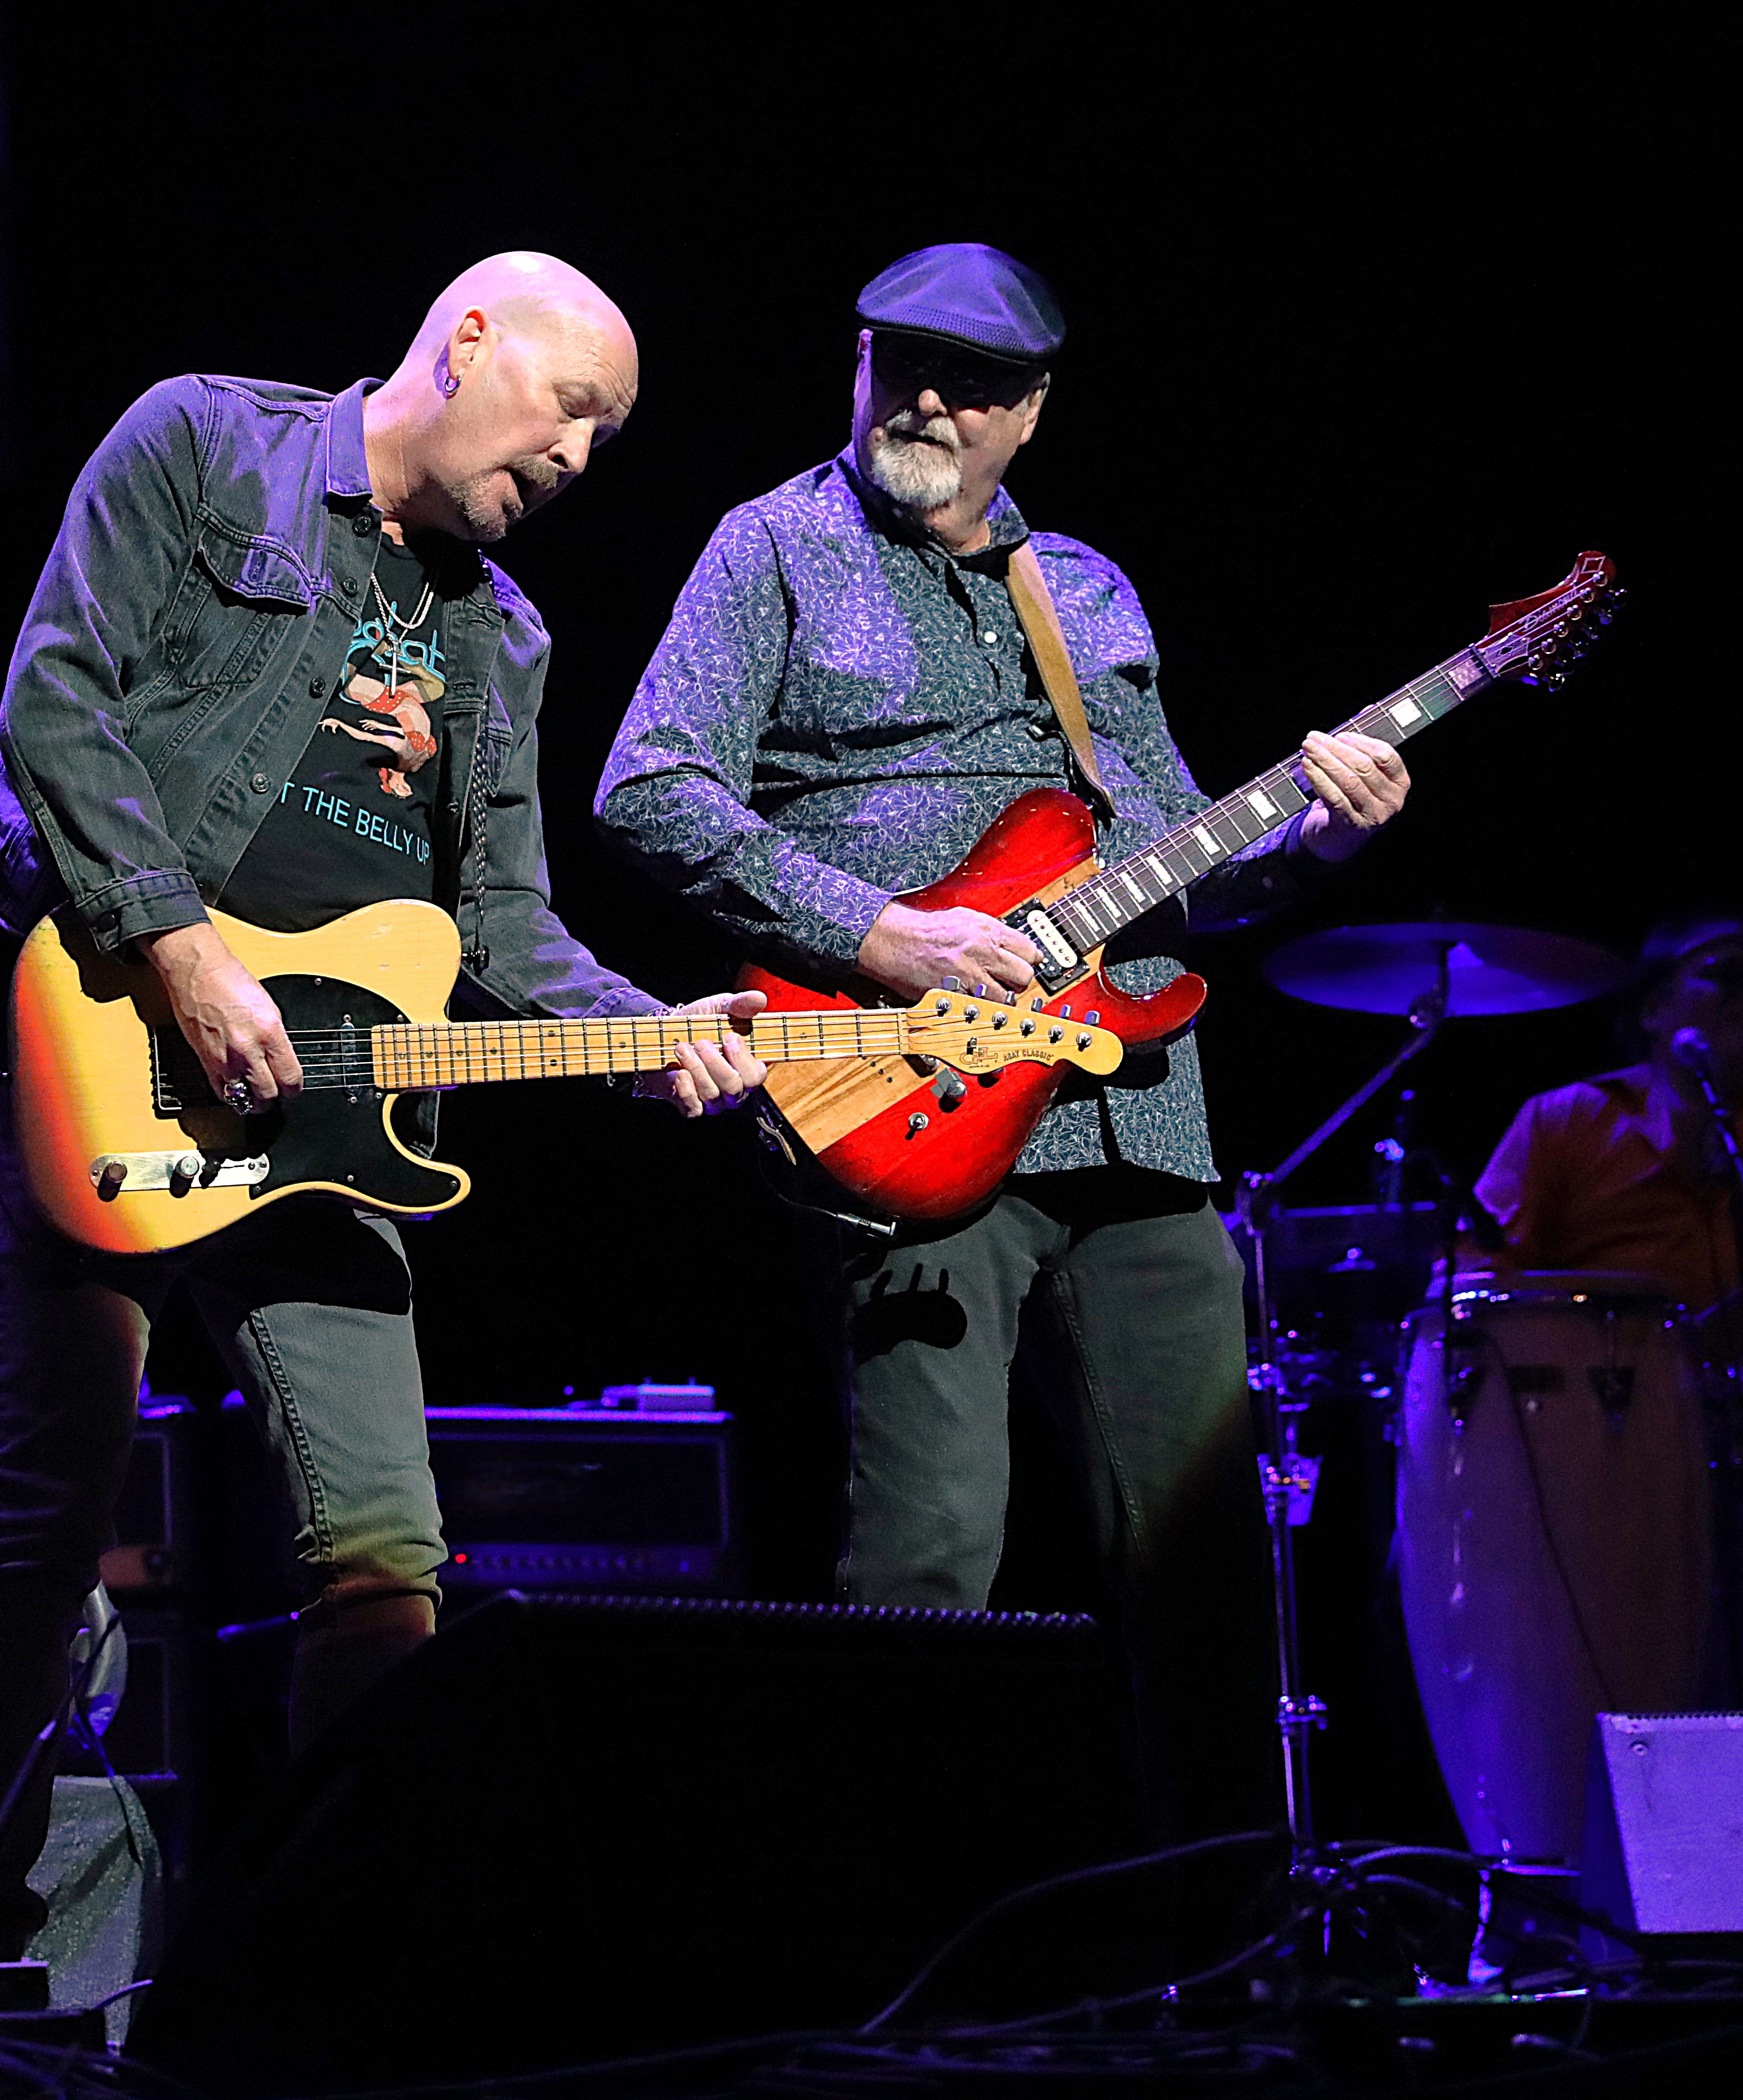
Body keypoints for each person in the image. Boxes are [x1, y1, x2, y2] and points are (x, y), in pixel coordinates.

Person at [0, 252, 767, 1954]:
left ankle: (335, 1949)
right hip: (104, 1037)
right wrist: (178, 948)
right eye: (569, 409)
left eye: (604, 438)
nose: (577, 459)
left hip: (336, 1126)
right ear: (467, 341)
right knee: (50, 1511)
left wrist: (647, 1028)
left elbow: (500, 925)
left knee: (385, 1547)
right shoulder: (202, 443)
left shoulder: (502, 636)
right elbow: (50, 698)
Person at [593, 243, 1413, 1837]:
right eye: (898, 363)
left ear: (1027, 412)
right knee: (926, 1555)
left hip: (1132, 1112)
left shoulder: (1084, 588)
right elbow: (648, 787)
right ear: (854, 361)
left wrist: (1316, 843)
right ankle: (904, 1930)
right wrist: (879, 931)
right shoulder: (771, 547)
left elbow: (1175, 860)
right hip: (911, 1104)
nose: (925, 402)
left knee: (1200, 1563)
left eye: (970, 384)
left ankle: (1215, 1925)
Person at [1472, 911, 1743, 1310]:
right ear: (1652, 1008)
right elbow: (1481, 1271)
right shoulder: (1567, 1116)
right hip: (1600, 1348)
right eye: (1726, 974)